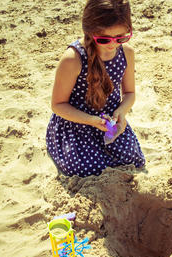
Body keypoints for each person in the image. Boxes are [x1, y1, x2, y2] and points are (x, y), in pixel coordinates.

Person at [46, 0, 145, 177]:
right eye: (105, 39)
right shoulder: (73, 59)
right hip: (76, 124)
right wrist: (92, 120)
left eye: (121, 37)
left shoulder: (126, 53)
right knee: (88, 169)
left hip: (110, 123)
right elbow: (58, 105)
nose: (113, 44)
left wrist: (121, 112)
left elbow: (130, 93)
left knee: (133, 158)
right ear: (90, 32)